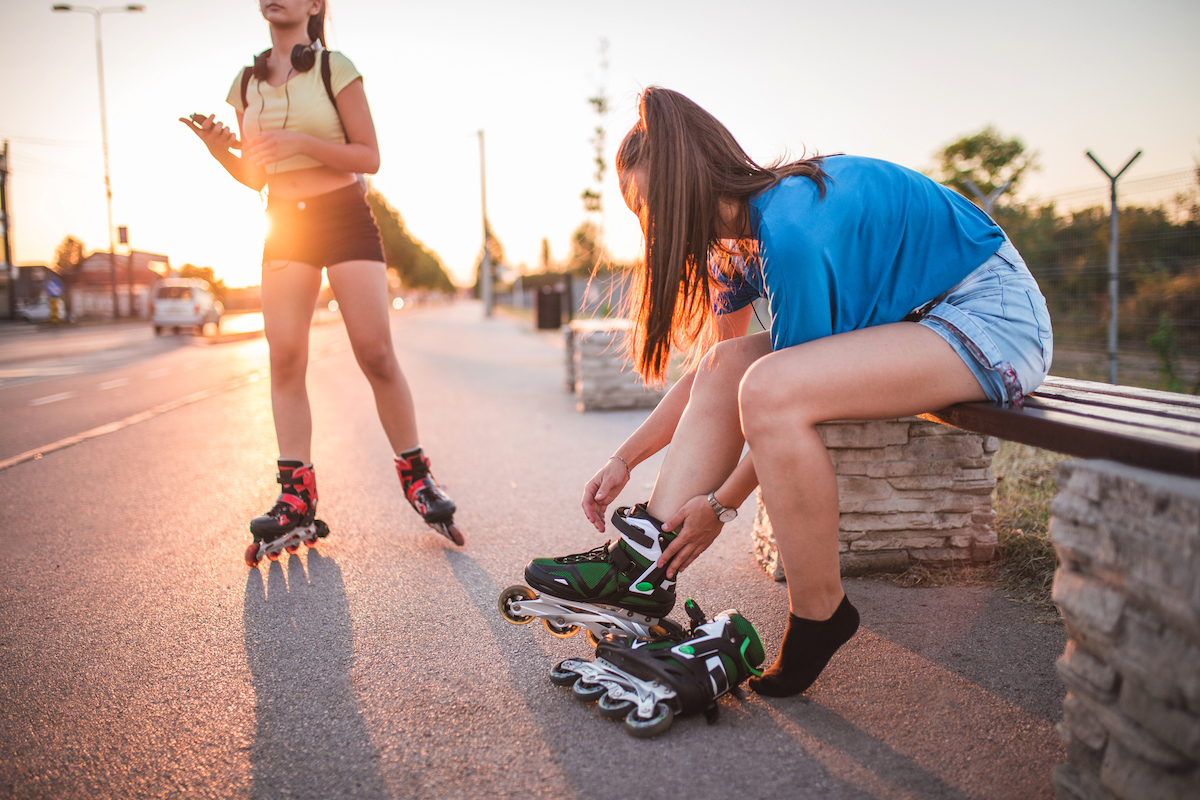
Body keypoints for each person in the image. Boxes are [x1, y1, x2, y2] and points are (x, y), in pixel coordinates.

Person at [527, 86, 1052, 697]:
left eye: (647, 207)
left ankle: (820, 615)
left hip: (991, 318)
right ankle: (642, 567)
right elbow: (716, 377)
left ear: (684, 188)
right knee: (733, 364)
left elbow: (777, 401)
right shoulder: (733, 243)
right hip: (919, 320)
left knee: (773, 386)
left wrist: (720, 508)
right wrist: (625, 459)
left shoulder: (792, 227)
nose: (647, 227)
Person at [180, 0, 461, 564]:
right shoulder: (245, 82)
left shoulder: (336, 69)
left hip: (342, 216)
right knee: (284, 358)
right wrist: (219, 151)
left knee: (375, 352)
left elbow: (370, 156)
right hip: (284, 223)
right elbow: (256, 173)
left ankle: (416, 474)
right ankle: (295, 494)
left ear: (314, 5)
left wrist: (302, 143)